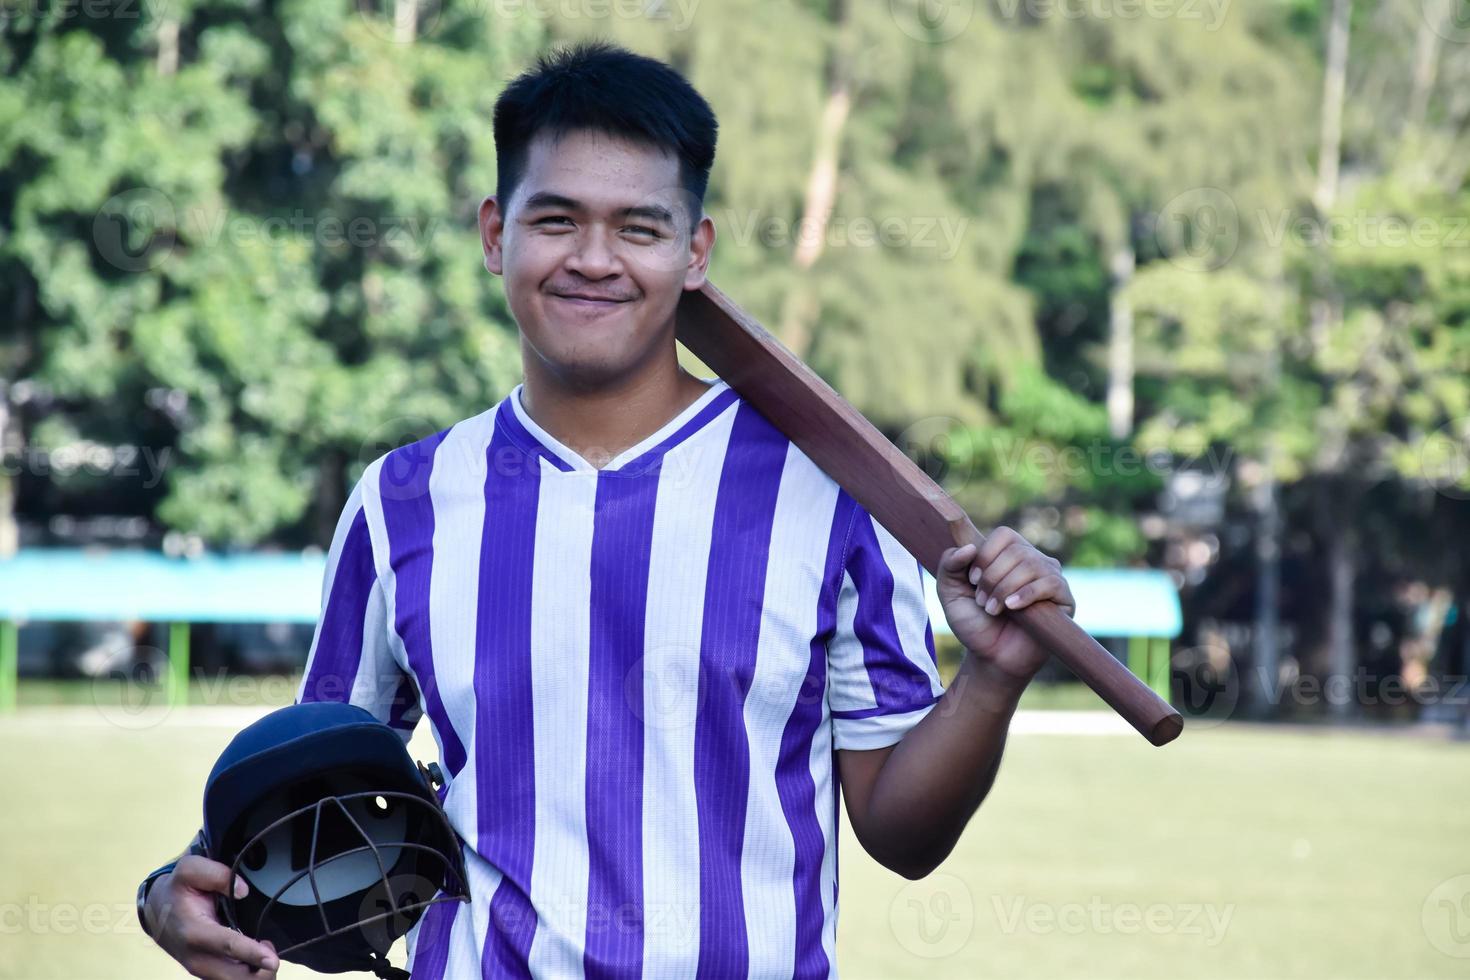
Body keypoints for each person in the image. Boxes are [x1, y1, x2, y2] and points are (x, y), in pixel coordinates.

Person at [139, 41, 1075, 979]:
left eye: (639, 227)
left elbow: (903, 837)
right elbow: (309, 794)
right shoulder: (400, 503)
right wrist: (166, 894)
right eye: (557, 220)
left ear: (694, 250)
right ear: (495, 234)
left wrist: (990, 683)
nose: (594, 260)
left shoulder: (832, 495)